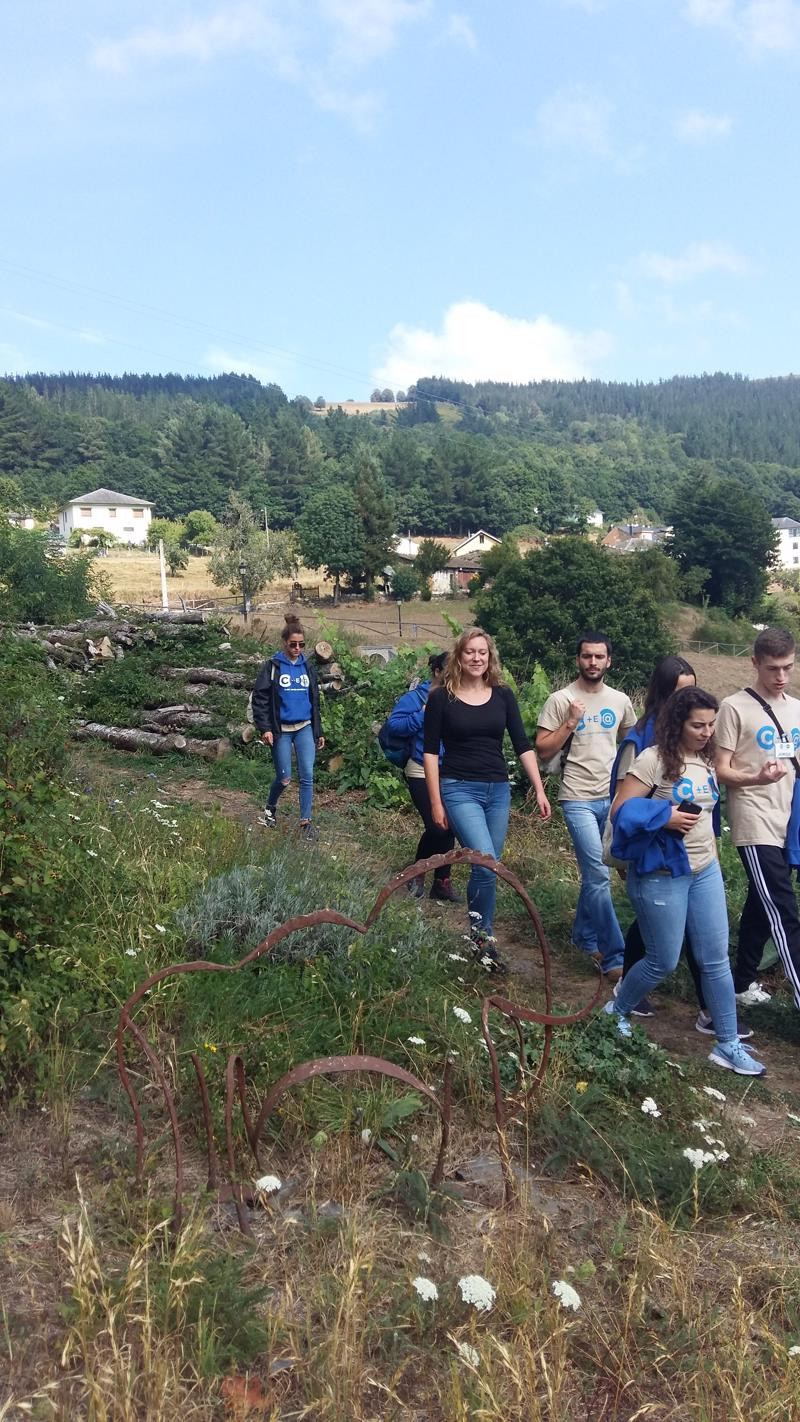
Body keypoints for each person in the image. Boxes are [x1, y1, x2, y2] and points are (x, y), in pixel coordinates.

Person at [605, 686, 765, 1076]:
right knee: (662, 960)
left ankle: (727, 1043)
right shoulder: (653, 760)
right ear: (678, 723)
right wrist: (666, 816)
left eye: (711, 724)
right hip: (660, 873)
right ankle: (616, 1010)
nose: (707, 731)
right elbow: (619, 811)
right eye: (698, 725)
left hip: (703, 869)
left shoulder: (708, 760)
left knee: (715, 960)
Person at [423, 627, 552, 972]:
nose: (477, 658)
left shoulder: (503, 695)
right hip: (458, 788)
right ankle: (483, 941)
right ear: (458, 657)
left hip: (497, 790)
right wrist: (436, 802)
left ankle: (481, 936)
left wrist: (539, 788)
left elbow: (523, 745)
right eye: (470, 652)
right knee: (485, 861)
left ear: (490, 656)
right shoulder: (441, 698)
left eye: (483, 652)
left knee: (491, 868)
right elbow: (431, 753)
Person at [536, 632, 636, 981]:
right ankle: (614, 956)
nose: (592, 662)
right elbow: (543, 751)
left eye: (599, 657)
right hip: (576, 797)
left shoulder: (621, 700)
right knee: (598, 874)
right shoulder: (560, 699)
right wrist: (570, 722)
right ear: (577, 660)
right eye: (586, 656)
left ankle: (583, 935)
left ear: (609, 660)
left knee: (596, 875)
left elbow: (632, 744)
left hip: (612, 800)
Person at [610, 656, 705, 1022]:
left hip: (690, 846)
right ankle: (631, 989)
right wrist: (626, 849)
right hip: (652, 846)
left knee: (686, 923)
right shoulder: (642, 738)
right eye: (681, 694)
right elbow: (622, 800)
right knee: (660, 923)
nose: (688, 702)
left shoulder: (696, 737)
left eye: (693, 692)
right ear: (663, 694)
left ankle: (708, 1007)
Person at [715, 626, 800, 1011]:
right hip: (753, 820)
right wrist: (757, 778)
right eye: (772, 669)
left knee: (760, 905)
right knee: (783, 909)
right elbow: (720, 770)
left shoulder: (796, 708)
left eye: (787, 667)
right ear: (755, 663)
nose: (780, 677)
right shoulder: (734, 707)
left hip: (788, 822)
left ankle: (741, 981)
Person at [385, 652, 460, 902]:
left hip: (450, 770)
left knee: (451, 827)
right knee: (436, 826)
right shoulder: (416, 697)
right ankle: (415, 873)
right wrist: (423, 714)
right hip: (419, 768)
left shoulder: (458, 698)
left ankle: (442, 881)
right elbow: (393, 726)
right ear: (437, 671)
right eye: (450, 671)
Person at [251, 614, 324, 841]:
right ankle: (270, 808)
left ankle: (306, 822)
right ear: (284, 643)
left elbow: (314, 701)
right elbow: (260, 698)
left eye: (301, 644)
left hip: (304, 727)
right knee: (284, 777)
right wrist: (265, 728)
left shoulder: (307, 667)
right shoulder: (273, 666)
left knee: (307, 775)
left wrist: (318, 731)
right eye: (293, 644)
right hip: (281, 729)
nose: (297, 648)